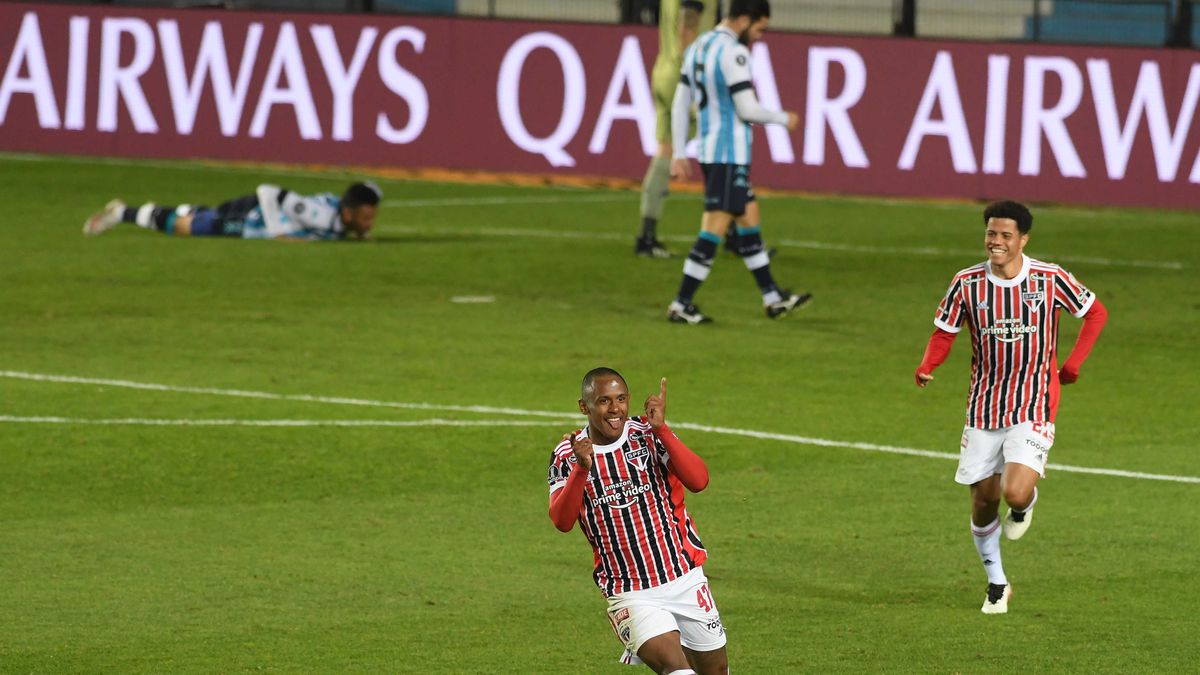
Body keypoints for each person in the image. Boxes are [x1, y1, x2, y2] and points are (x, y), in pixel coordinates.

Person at [915, 200, 1108, 614]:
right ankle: (998, 584)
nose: (996, 242)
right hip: (983, 407)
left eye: (1005, 235)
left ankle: (1025, 504)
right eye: (991, 233)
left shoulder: (1048, 278)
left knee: (1014, 491)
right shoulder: (967, 283)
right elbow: (944, 330)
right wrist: (929, 364)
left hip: (1034, 401)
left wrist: (1072, 364)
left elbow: (1095, 312)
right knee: (984, 501)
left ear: (1023, 239)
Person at [548, 368, 727, 674]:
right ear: (584, 406)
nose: (615, 408)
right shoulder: (568, 454)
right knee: (679, 672)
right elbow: (562, 521)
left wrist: (663, 430)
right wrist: (581, 469)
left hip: (684, 576)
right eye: (603, 401)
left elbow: (699, 480)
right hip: (631, 591)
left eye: (620, 399)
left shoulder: (647, 435)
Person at [666, 0, 811, 323]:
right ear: (744, 20)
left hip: (711, 151)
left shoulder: (700, 45)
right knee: (714, 227)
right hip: (728, 154)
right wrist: (782, 118)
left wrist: (679, 151)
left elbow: (680, 104)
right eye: (759, 28)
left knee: (748, 216)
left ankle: (772, 298)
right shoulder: (734, 53)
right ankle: (681, 304)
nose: (759, 36)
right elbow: (747, 109)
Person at [635, 0, 718, 259]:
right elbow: (686, 25)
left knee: (664, 150)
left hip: (663, 70)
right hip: (684, 76)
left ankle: (646, 236)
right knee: (723, 145)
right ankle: (736, 232)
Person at [82, 181, 381, 241]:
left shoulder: (340, 222)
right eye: (366, 217)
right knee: (184, 227)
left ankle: (149, 211)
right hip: (249, 218)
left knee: (198, 216)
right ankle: (124, 214)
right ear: (349, 213)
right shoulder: (320, 215)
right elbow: (268, 191)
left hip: (251, 221)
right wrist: (280, 234)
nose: (371, 223)